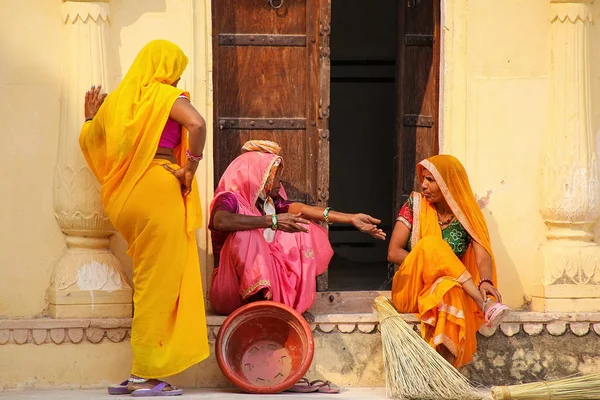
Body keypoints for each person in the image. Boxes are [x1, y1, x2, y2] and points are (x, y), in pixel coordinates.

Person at [79, 40, 209, 397]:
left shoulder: (118, 103)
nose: (177, 78)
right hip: (156, 189)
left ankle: (141, 372)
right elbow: (197, 125)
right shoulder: (165, 96)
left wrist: (91, 117)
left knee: (147, 279)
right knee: (159, 284)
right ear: (165, 69)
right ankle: (145, 375)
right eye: (176, 71)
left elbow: (90, 141)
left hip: (124, 199)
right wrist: (189, 169)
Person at [209, 140, 386, 317]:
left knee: (302, 229)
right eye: (276, 177)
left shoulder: (270, 203)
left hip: (271, 289)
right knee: (247, 235)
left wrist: (351, 218)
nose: (280, 182)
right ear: (259, 177)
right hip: (230, 291)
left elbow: (303, 210)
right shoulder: (228, 199)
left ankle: (294, 304)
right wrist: (271, 221)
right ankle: (259, 305)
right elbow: (221, 222)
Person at [387, 154, 509, 368]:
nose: (423, 185)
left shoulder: (467, 216)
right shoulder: (414, 205)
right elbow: (394, 252)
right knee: (431, 245)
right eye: (423, 179)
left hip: (447, 289)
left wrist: (486, 280)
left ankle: (445, 372)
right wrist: (428, 259)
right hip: (411, 290)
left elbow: (483, 257)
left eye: (430, 180)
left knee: (449, 288)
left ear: (447, 183)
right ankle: (483, 304)